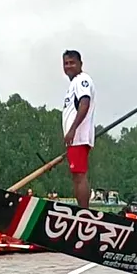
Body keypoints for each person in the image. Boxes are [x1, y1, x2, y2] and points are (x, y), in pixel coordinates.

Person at [60, 50, 95, 208]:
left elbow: (84, 103)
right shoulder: (72, 84)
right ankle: (82, 210)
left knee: (79, 175)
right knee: (76, 175)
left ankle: (84, 212)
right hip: (73, 140)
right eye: (66, 63)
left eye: (72, 62)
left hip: (79, 137)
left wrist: (73, 129)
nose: (69, 66)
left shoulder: (82, 80)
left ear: (80, 64)